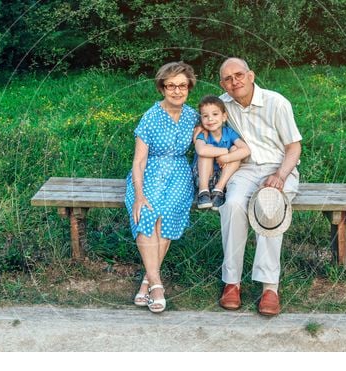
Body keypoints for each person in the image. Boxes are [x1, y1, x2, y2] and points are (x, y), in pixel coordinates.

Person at [216, 57, 302, 316]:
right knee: (232, 205)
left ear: (251, 75)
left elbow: (293, 146)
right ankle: (232, 283)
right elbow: (206, 122)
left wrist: (280, 175)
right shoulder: (225, 105)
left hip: (279, 167)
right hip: (244, 169)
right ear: (223, 84)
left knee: (269, 206)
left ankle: (269, 288)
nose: (235, 82)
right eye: (228, 79)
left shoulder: (276, 102)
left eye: (239, 75)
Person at [124, 61, 199, 313]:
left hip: (179, 173)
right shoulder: (151, 116)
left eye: (182, 85)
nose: (177, 91)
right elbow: (139, 160)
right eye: (170, 86)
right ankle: (156, 283)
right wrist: (138, 194)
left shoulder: (193, 116)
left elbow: (214, 139)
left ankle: (147, 280)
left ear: (189, 87)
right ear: (162, 88)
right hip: (151, 171)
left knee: (167, 212)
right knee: (146, 211)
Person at [192, 96, 250, 211]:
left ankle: (219, 190)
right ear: (201, 119)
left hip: (223, 177)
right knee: (208, 148)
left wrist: (227, 157)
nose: (210, 119)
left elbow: (246, 150)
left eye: (215, 114)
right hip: (203, 175)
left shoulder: (229, 132)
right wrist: (224, 151)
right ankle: (203, 192)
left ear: (224, 117)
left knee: (235, 149)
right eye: (205, 116)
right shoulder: (203, 135)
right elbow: (201, 150)